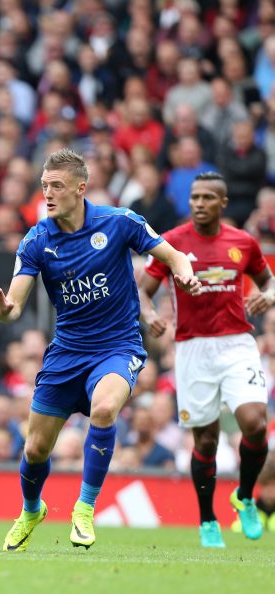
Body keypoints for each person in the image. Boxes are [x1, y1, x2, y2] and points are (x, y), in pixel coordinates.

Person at [0, 148, 201, 551]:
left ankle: (84, 508)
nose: (47, 194)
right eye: (44, 185)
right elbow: (13, 306)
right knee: (34, 448)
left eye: (57, 186)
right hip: (66, 352)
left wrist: (185, 275)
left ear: (81, 189)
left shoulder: (119, 223)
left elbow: (171, 255)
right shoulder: (36, 240)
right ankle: (32, 510)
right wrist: (2, 311)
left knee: (103, 409)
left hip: (117, 346)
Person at [138, 171, 273, 548]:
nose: (199, 204)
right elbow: (143, 292)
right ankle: (207, 519)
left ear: (223, 203)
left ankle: (244, 496)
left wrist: (271, 296)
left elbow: (270, 281)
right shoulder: (173, 243)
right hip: (192, 348)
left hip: (236, 343)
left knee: (255, 424)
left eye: (208, 198)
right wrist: (150, 317)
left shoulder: (242, 243)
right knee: (207, 441)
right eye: (195, 197)